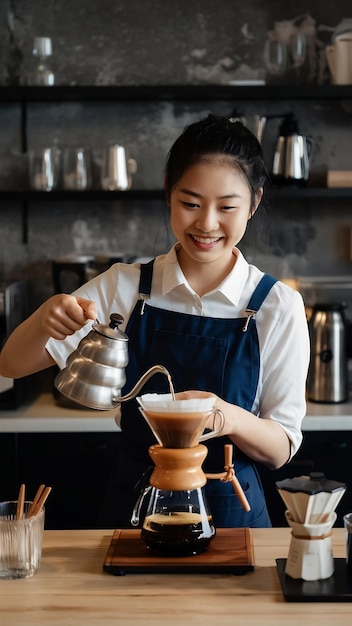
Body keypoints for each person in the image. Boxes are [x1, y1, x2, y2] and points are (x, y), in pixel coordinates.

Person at [0, 114, 310, 528]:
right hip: (135, 508)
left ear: (253, 203)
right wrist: (44, 317)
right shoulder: (123, 288)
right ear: (168, 193)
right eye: (190, 203)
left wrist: (226, 415)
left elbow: (280, 449)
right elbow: (10, 365)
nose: (206, 223)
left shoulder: (277, 305)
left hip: (233, 513)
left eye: (227, 207)